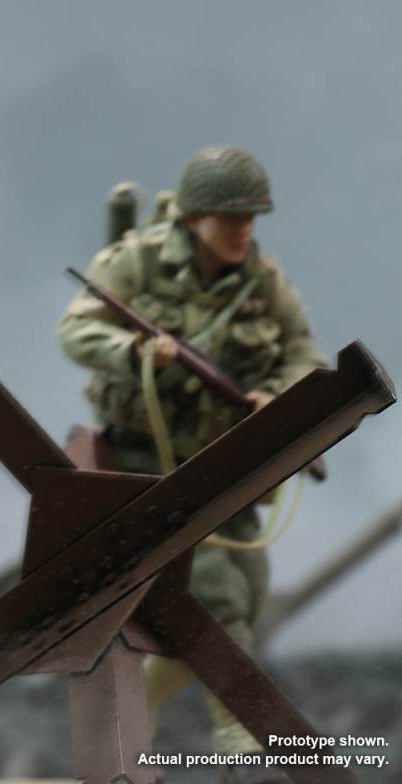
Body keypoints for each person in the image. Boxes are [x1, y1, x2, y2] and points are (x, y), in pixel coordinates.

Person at [58, 145, 327, 784]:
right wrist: (137, 355)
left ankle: (131, 712)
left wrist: (275, 395)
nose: (243, 230)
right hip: (148, 469)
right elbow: (78, 331)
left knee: (249, 598)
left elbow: (304, 356)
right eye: (231, 217)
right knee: (215, 594)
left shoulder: (263, 282)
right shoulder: (139, 261)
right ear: (196, 215)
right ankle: (238, 738)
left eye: (251, 218)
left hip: (228, 469)